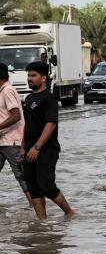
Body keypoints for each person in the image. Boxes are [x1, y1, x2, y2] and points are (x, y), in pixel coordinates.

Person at [20, 61, 74, 219]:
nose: (29, 78)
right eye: (28, 75)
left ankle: (69, 213)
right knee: (33, 186)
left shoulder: (49, 99)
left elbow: (51, 124)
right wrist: (23, 146)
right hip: (29, 148)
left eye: (33, 75)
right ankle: (42, 222)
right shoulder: (29, 98)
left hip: (46, 149)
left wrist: (37, 147)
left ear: (43, 78)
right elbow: (26, 125)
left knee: (46, 185)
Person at [0, 63, 32, 205]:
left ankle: (36, 207)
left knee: (21, 176)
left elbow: (16, 115)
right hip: (2, 140)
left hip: (12, 141)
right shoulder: (2, 91)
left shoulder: (7, 90)